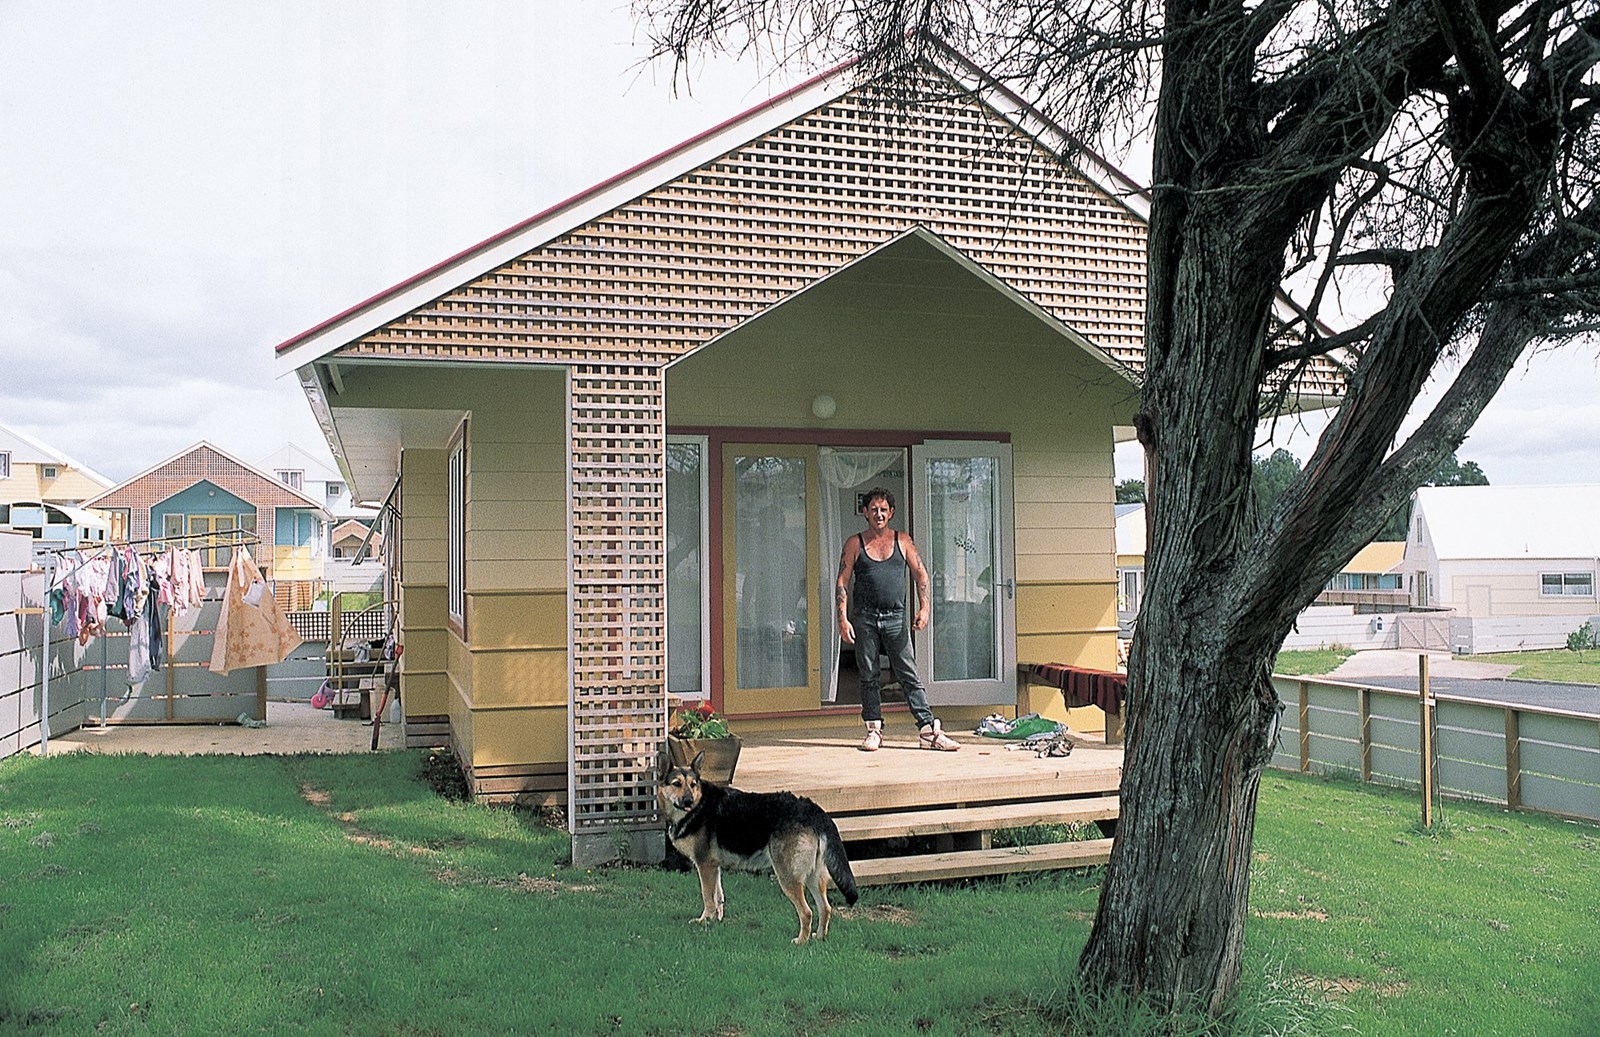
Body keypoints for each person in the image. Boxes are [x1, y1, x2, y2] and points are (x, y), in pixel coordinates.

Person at [836, 487, 960, 752]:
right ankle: (874, 729)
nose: (879, 514)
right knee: (869, 675)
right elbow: (842, 582)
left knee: (908, 674)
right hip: (865, 618)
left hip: (895, 617)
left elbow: (921, 574)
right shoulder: (855, 543)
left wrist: (924, 609)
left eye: (883, 510)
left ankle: (928, 731)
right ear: (865, 512)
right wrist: (842, 619)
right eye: (873, 509)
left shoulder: (902, 540)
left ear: (891, 513)